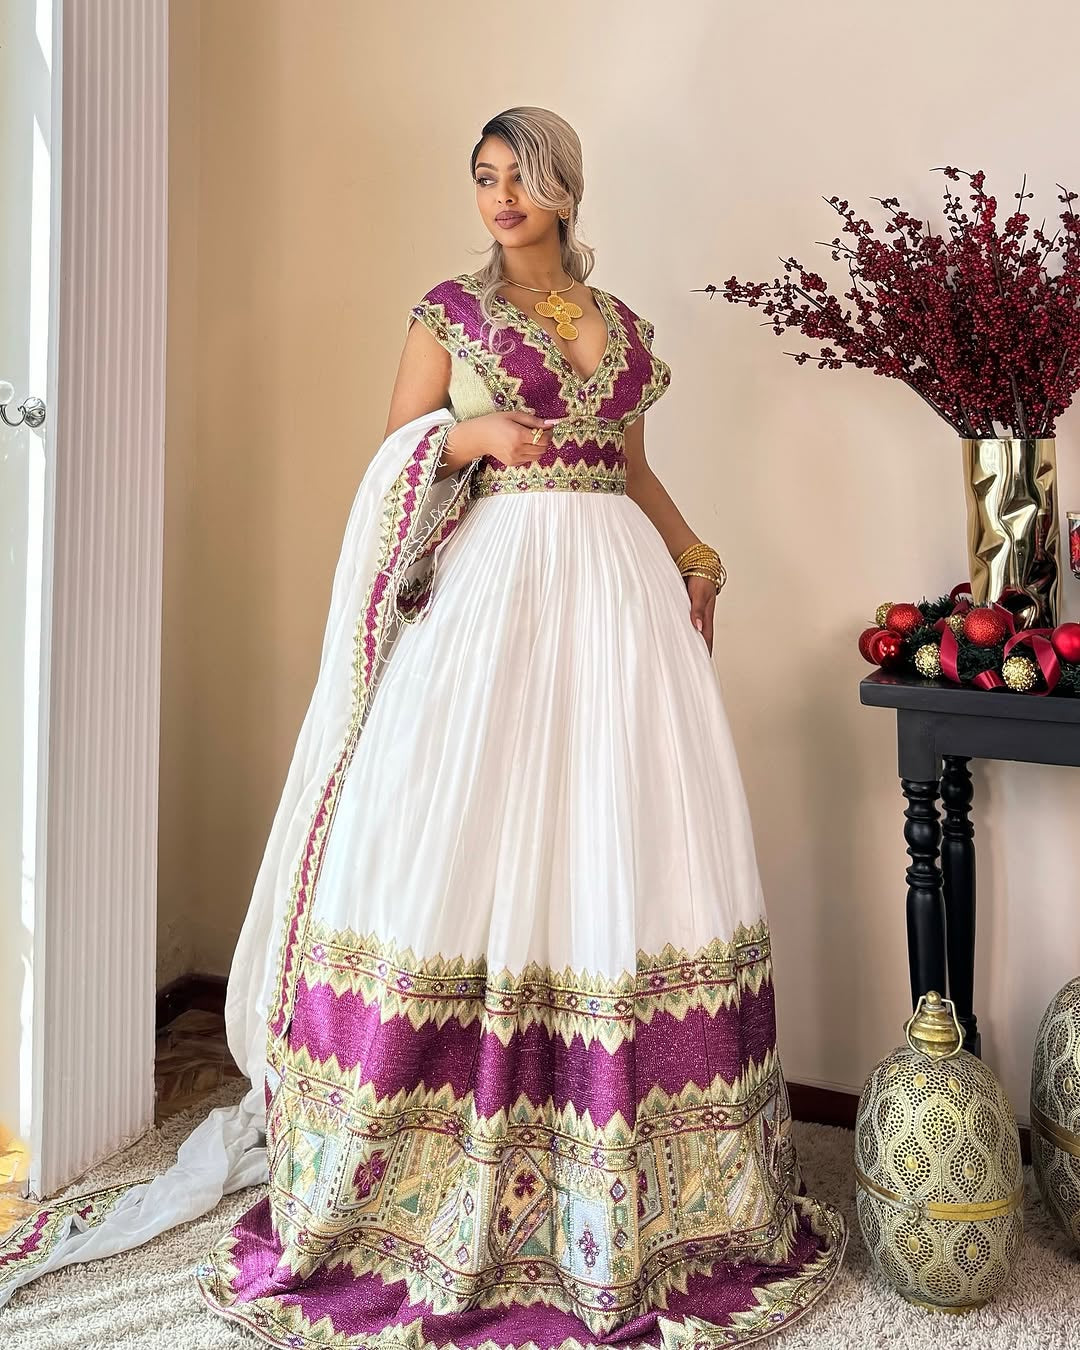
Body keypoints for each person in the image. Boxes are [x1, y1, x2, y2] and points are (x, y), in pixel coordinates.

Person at [0, 106, 845, 1345]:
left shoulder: (623, 329)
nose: (501, 197)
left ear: (567, 188)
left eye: (523, 177)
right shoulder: (448, 314)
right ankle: (419, 1172)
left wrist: (699, 555)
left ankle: (635, 1189)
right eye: (485, 177)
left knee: (615, 849)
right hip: (497, 595)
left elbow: (632, 466)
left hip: (616, 599)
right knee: (468, 836)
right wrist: (471, 434)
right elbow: (392, 455)